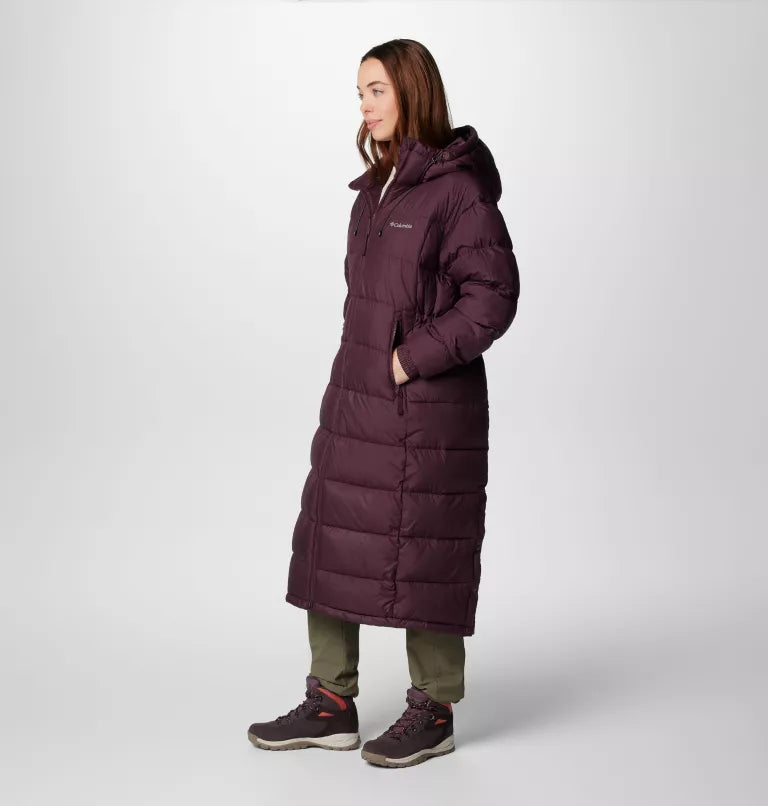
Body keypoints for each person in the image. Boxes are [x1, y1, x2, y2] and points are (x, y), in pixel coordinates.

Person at [247, 38, 520, 768]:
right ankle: (330, 704)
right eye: (360, 93)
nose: (364, 106)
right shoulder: (374, 191)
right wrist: (368, 369)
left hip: (427, 409)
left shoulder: (458, 191)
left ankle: (434, 709)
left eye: (377, 90)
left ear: (411, 92)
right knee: (331, 540)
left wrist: (408, 359)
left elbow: (492, 296)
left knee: (424, 548)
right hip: (358, 399)